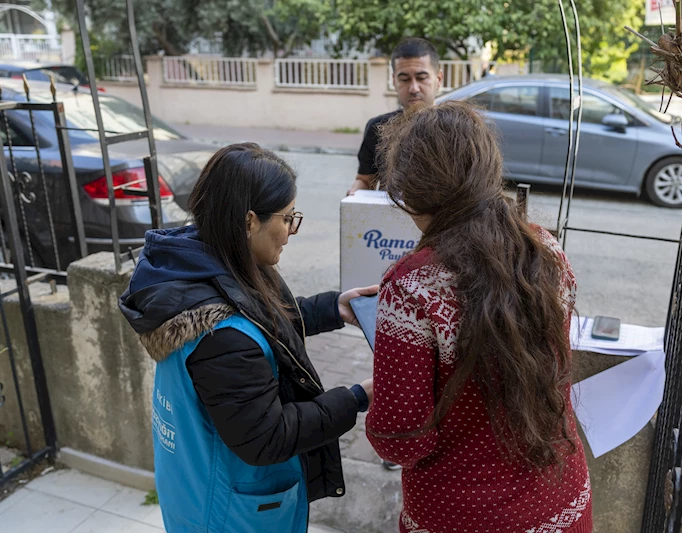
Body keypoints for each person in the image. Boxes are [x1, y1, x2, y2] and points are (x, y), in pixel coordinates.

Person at [119, 143, 377, 533]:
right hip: (227, 512)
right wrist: (358, 397)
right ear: (249, 221)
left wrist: (332, 309)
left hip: (196, 479)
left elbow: (259, 317)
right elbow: (267, 436)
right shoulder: (222, 338)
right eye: (288, 218)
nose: (291, 230)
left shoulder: (198, 263)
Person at [365, 102, 592, 533]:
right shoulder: (546, 251)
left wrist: (382, 392)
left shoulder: (412, 286)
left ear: (411, 190)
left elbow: (402, 438)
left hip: (459, 513)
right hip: (560, 497)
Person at [346, 37, 443, 196]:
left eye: (421, 78)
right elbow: (365, 180)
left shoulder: (457, 130)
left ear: (438, 79)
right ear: (394, 81)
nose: (413, 88)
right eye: (404, 79)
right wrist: (355, 195)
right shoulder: (378, 128)